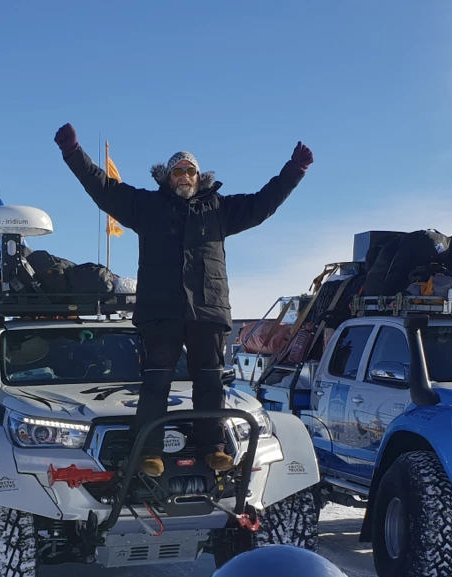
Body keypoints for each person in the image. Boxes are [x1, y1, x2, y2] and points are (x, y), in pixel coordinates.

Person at [54, 123, 312, 475]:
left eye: (190, 171)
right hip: (160, 313)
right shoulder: (146, 206)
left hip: (208, 310)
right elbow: (104, 189)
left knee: (209, 382)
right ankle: (149, 452)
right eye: (178, 171)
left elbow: (263, 203)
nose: (184, 176)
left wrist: (293, 171)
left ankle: (212, 448)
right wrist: (74, 153)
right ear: (168, 177)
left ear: (199, 176)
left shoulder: (220, 209)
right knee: (156, 382)